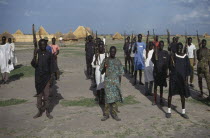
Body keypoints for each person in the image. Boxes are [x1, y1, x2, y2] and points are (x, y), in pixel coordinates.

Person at [167, 42, 191, 119]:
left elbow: (187, 69)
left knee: (182, 96)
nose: (179, 49)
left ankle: (183, 112)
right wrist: (171, 63)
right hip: (174, 78)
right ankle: (169, 111)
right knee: (170, 94)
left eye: (180, 48)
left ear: (182, 48)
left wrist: (186, 80)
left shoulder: (185, 57)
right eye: (178, 48)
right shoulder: (173, 56)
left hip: (182, 79)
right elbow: (170, 67)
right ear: (176, 48)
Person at [31, 39, 54, 119]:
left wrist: (51, 77)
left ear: (46, 45)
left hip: (47, 77)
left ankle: (47, 112)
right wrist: (34, 56)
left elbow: (52, 66)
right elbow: (33, 64)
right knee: (39, 96)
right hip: (38, 78)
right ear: (39, 45)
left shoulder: (49, 54)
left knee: (47, 96)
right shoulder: (37, 53)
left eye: (44, 45)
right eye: (41, 45)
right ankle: (39, 111)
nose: (42, 46)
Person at [100, 46, 124, 121]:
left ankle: (114, 114)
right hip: (108, 83)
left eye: (114, 52)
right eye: (111, 51)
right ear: (109, 52)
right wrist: (104, 66)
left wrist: (119, 84)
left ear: (115, 52)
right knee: (107, 99)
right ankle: (106, 114)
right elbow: (101, 71)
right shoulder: (106, 60)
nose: (112, 53)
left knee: (114, 100)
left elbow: (121, 73)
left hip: (115, 83)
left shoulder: (118, 61)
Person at [151, 41, 169, 105]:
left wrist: (166, 72)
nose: (161, 46)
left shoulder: (165, 53)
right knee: (155, 86)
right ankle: (155, 100)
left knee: (161, 87)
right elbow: (152, 61)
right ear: (158, 46)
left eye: (162, 45)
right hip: (156, 72)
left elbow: (167, 64)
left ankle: (161, 99)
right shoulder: (155, 52)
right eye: (160, 45)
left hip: (162, 73)